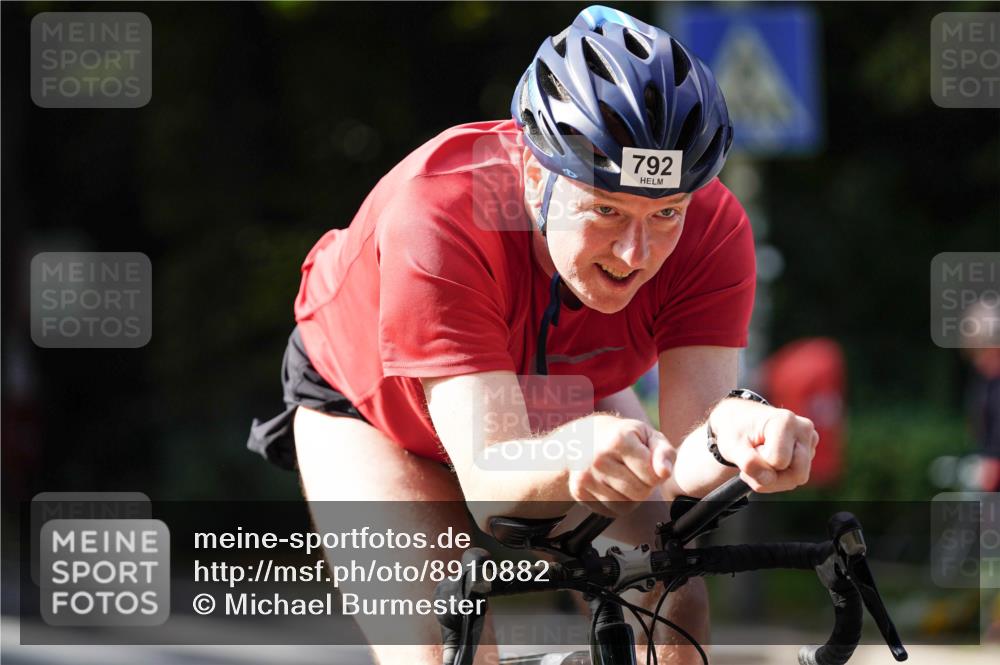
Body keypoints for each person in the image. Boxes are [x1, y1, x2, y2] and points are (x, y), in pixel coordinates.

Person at [248, 6, 819, 664]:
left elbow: (687, 459)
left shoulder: (713, 228)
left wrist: (737, 439)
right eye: (606, 208)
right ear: (533, 174)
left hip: (566, 400)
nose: (636, 251)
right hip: (374, 410)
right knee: (444, 642)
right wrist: (579, 448)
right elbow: (496, 485)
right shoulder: (440, 213)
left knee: (670, 610)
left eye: (665, 213)